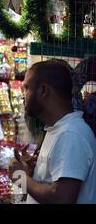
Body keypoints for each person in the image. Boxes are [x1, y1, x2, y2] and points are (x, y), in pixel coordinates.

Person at [8, 59, 96, 204]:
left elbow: (61, 198)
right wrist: (31, 175)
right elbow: (49, 186)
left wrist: (22, 178)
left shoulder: (71, 134)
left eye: (26, 88)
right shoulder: (57, 130)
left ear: (43, 90)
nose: (22, 95)